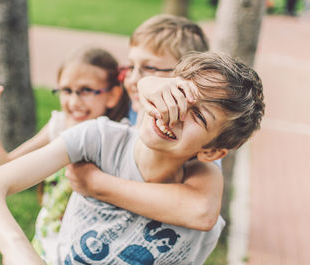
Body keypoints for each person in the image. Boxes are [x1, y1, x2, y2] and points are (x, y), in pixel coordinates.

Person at [0, 51, 265, 265]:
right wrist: (18, 251)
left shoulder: (203, 184)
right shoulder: (98, 138)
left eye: (197, 114)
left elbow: (203, 212)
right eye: (178, 94)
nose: (176, 112)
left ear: (212, 151)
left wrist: (94, 183)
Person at [0, 47, 129, 262]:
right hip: (41, 250)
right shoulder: (60, 125)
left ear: (113, 95)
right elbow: (2, 166)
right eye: (66, 90)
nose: (73, 102)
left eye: (86, 90)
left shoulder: (120, 141)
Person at [66, 14, 222, 231]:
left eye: (150, 68)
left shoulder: (193, 141)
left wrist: (94, 183)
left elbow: (200, 211)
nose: (133, 81)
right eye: (131, 67)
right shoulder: (121, 109)